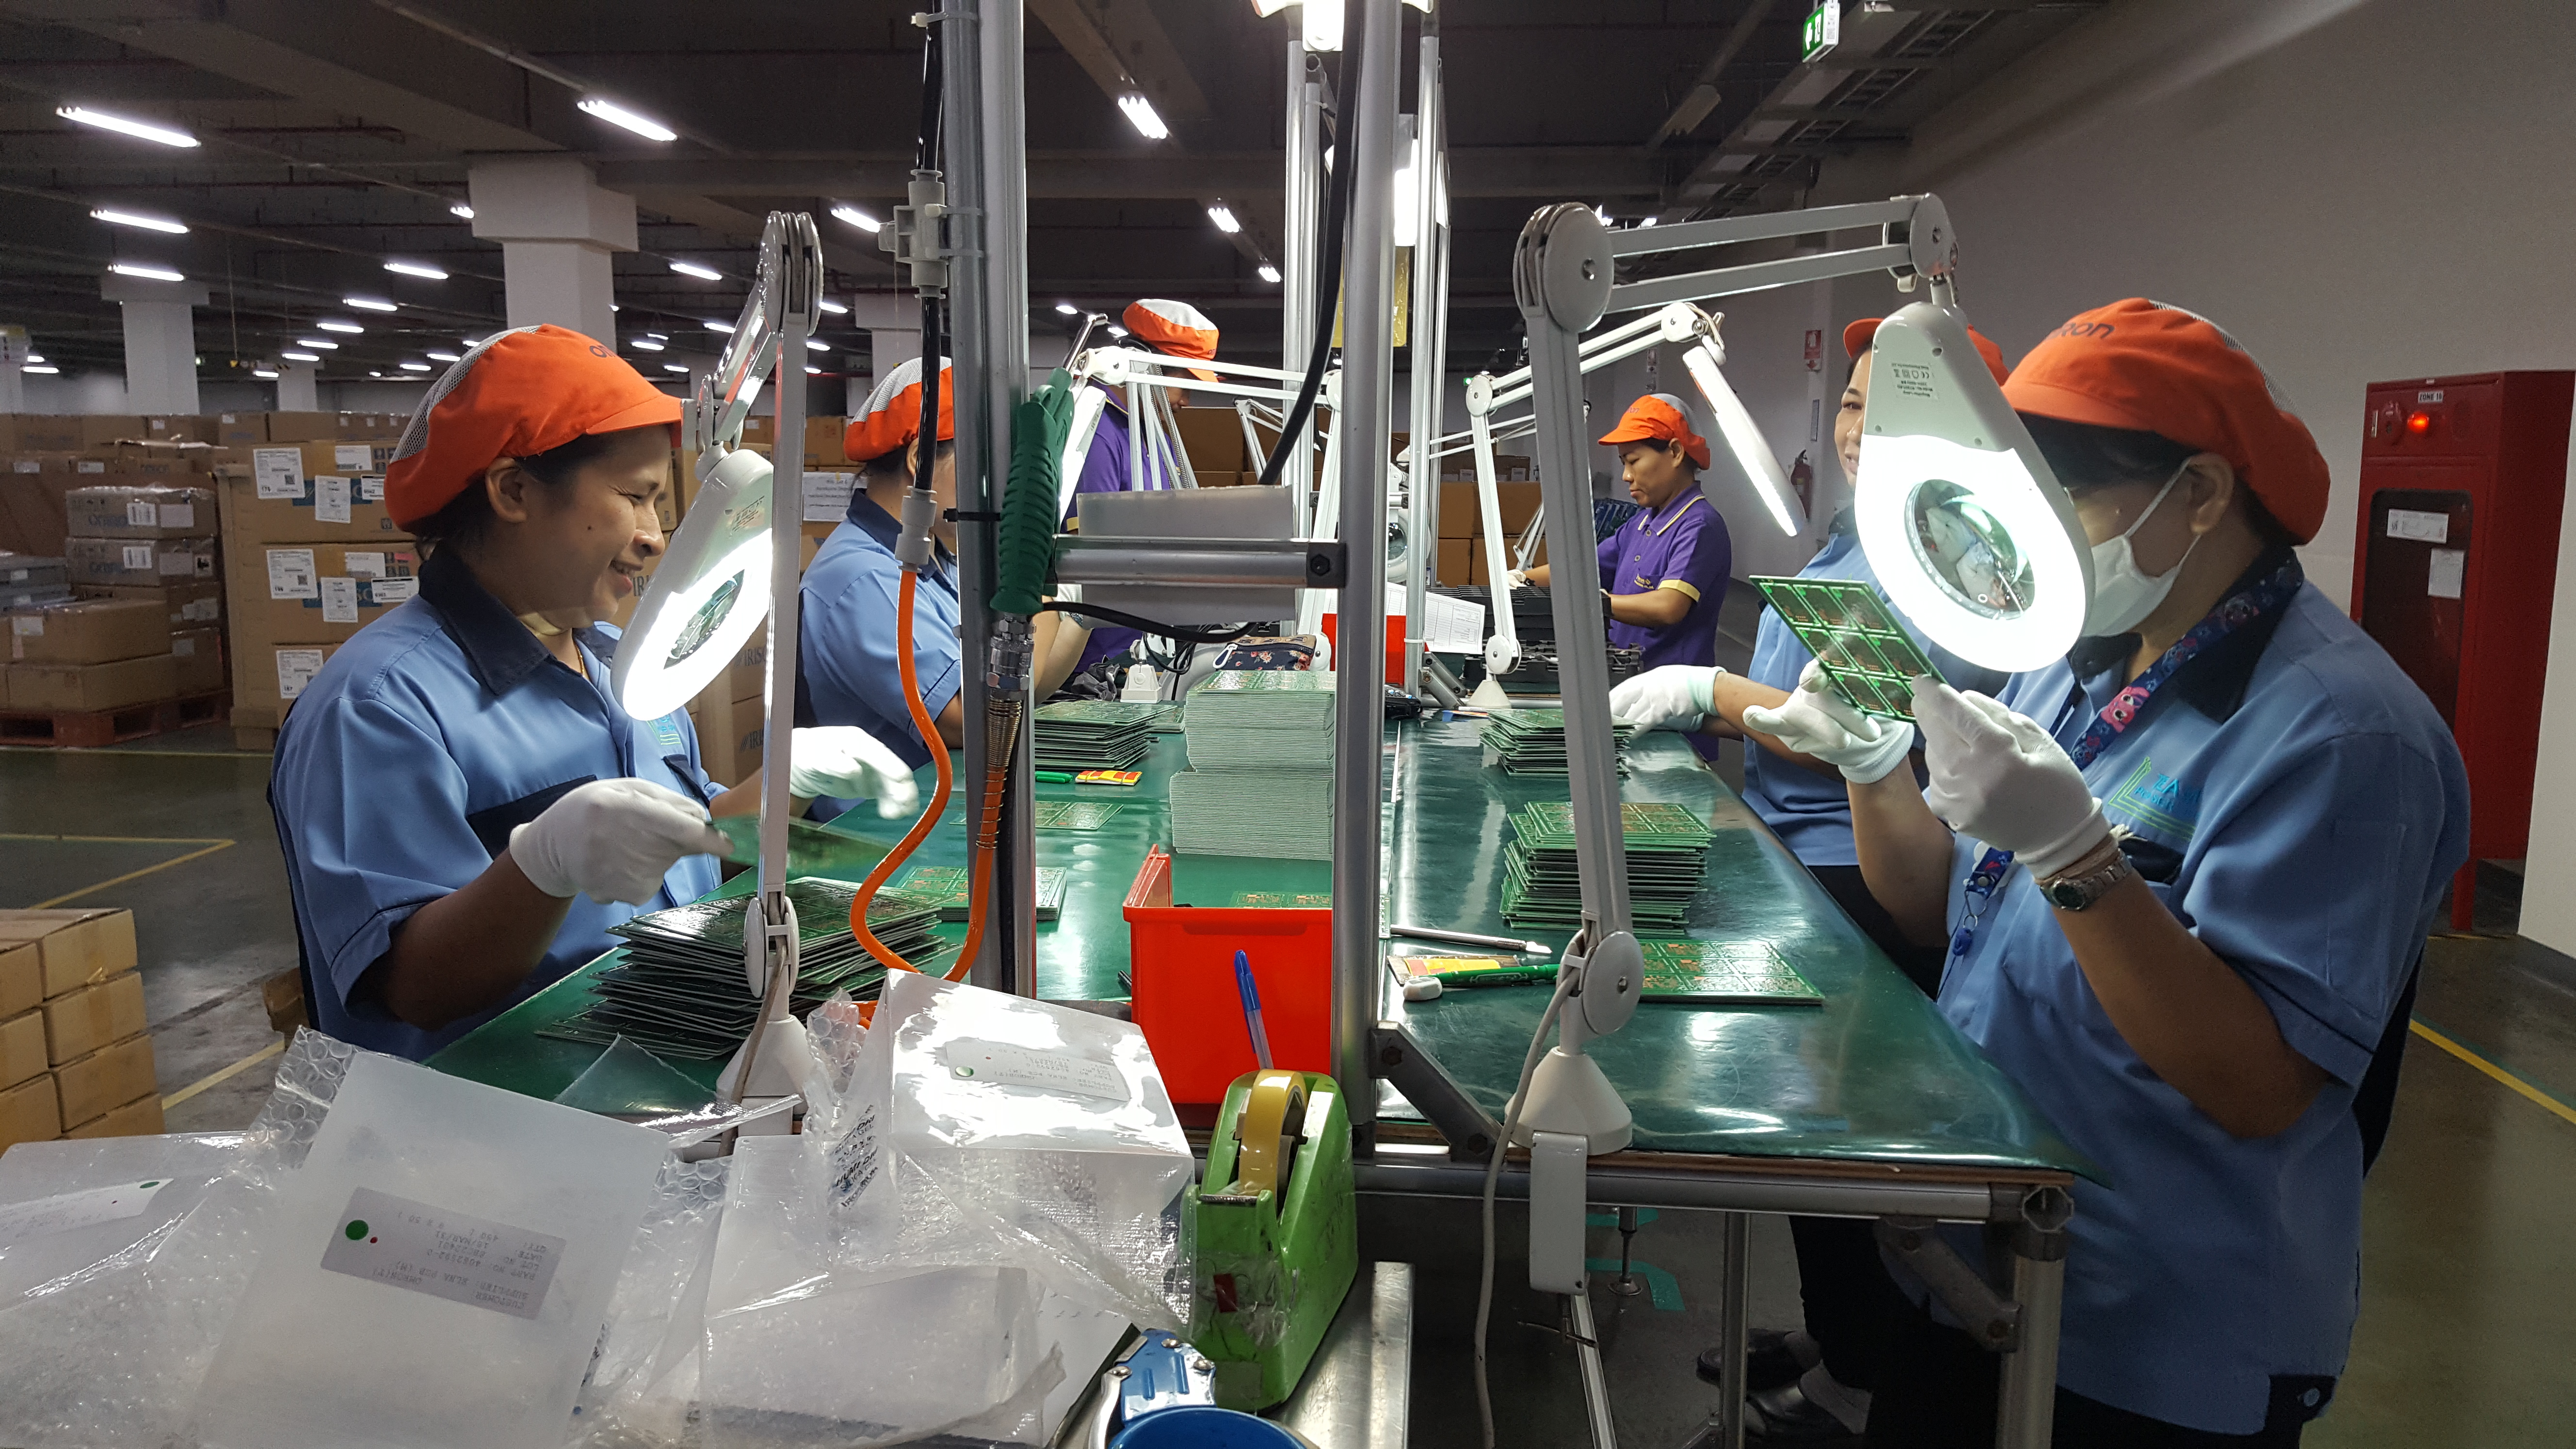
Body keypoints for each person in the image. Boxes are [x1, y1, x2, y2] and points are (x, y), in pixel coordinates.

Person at [1741, 299, 2468, 1446]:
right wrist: (1871, 765)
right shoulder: (2066, 667)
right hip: (1975, 1257)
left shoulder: (2340, 735)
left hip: (2153, 1326)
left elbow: (2255, 1084)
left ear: (2199, 493)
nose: (2034, 545)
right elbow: (1930, 910)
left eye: (2065, 504)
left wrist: (2075, 857)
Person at [270, 325, 916, 1060]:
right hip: (500, 1105)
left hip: (660, 1052)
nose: (654, 537)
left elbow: (694, 848)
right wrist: (542, 867)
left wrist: (785, 782)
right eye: (635, 497)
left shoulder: (618, 665)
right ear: (513, 491)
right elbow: (415, 988)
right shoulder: (378, 706)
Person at [1612, 320, 2013, 1444]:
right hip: (1805, 860)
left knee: (1841, 1138)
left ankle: (1855, 1380)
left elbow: (1846, 731)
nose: (1855, 428)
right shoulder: (1856, 537)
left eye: (1890, 406)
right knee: (1808, 1139)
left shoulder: (1947, 561)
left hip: (1868, 880)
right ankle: (1837, 1336)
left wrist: (1711, 693)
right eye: (1847, 401)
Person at [802, 356, 1089, 776]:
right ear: (919, 461)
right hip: (899, 816)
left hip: (950, 797)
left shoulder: (939, 558)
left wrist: (1081, 606)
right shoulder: (862, 579)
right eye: (987, 465)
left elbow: (1025, 687)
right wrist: (1033, 575)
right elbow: (977, 720)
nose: (1000, 485)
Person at [1518, 392, 1732, 752]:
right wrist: (1520, 580)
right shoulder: (1642, 523)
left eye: (1633, 461)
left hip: (1672, 716)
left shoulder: (1699, 526)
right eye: (1623, 463)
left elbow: (1669, 607)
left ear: (1675, 453)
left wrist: (1594, 602)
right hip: (1629, 696)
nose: (1626, 475)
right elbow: (1581, 567)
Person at [1065, 298, 1222, 674]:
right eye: (1183, 385)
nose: (1187, 401)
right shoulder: (1099, 433)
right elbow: (1090, 550)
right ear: (1147, 365)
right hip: (1104, 658)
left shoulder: (1152, 432)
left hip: (1150, 644)